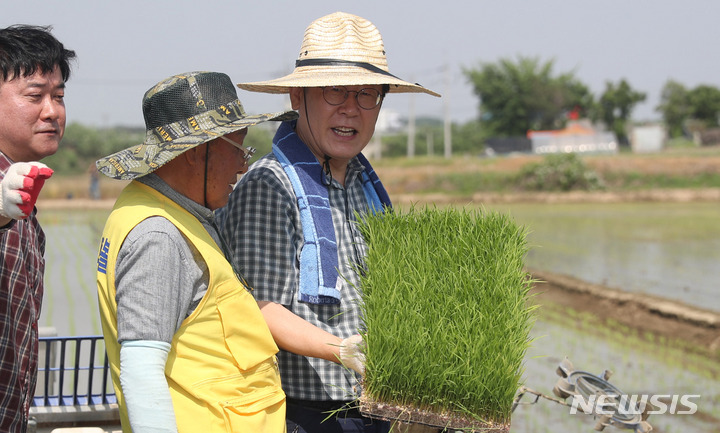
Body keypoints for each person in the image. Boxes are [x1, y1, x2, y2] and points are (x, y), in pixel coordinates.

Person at [218, 12, 440, 433]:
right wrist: (341, 349)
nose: (351, 109)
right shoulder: (270, 184)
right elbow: (255, 308)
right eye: (335, 91)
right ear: (297, 98)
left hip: (376, 405)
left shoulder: (361, 182)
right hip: (309, 412)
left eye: (367, 94)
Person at [95, 71, 297, 433]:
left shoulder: (175, 212)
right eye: (239, 148)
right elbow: (142, 372)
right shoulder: (159, 236)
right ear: (194, 152)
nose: (243, 165)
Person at [0, 24, 75, 432]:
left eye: (59, 97)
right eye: (35, 96)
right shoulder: (7, 191)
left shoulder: (23, 188)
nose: (52, 111)